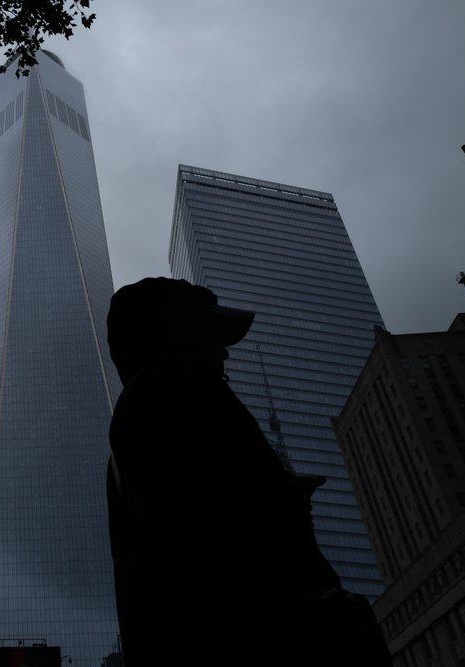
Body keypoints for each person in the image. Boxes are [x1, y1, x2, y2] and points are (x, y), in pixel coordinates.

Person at [105, 277, 389, 666]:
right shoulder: (175, 385)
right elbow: (209, 550)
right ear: (177, 332)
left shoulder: (142, 418)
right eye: (211, 334)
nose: (225, 353)